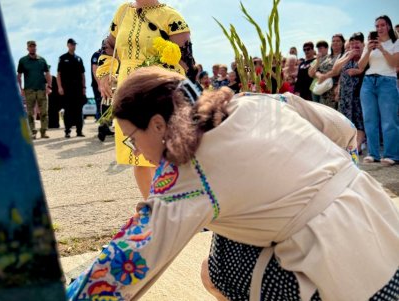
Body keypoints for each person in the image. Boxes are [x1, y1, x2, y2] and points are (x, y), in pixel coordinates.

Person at [66, 67, 399, 301]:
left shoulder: (186, 174)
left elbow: (127, 260)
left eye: (131, 139)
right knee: (233, 231)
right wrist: (335, 179)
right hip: (386, 235)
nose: (134, 150)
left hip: (348, 279)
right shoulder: (253, 102)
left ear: (156, 125)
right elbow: (341, 126)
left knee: (219, 265)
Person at [96, 0, 195, 199]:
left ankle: (172, 211)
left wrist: (161, 78)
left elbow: (185, 62)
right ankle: (152, 210)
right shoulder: (123, 12)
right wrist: (105, 73)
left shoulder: (172, 17)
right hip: (126, 92)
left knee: (158, 157)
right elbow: (108, 48)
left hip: (156, 93)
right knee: (137, 158)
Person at [358, 15, 399, 166]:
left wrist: (382, 49)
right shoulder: (370, 44)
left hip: (387, 81)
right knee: (369, 119)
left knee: (389, 120)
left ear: (388, 26)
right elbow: (361, 66)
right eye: (377, 26)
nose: (379, 28)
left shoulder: (396, 43)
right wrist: (368, 50)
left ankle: (391, 155)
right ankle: (373, 153)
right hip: (368, 82)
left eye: (382, 25)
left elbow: (395, 63)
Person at [17, 40, 52, 139]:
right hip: (29, 90)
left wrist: (49, 87)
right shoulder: (23, 61)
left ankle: (44, 132)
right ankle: (33, 132)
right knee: (30, 113)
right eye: (30, 46)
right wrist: (21, 89)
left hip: (42, 89)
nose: (32, 48)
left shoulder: (42, 60)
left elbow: (47, 74)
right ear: (27, 48)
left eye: (34, 46)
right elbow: (19, 76)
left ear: (36, 47)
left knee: (44, 112)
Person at [57, 38, 86, 138]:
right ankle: (67, 131)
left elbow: (83, 75)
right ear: (68, 45)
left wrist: (84, 88)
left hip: (78, 88)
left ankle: (79, 131)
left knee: (78, 110)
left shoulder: (79, 59)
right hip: (67, 89)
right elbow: (59, 74)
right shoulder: (62, 58)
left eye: (75, 45)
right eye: (72, 44)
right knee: (68, 110)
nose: (74, 46)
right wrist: (60, 87)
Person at [309, 35, 346, 109]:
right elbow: (315, 71)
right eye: (333, 41)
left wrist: (324, 76)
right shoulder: (327, 57)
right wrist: (319, 75)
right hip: (323, 91)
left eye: (338, 41)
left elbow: (338, 71)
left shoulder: (344, 56)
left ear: (343, 43)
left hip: (335, 90)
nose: (335, 43)